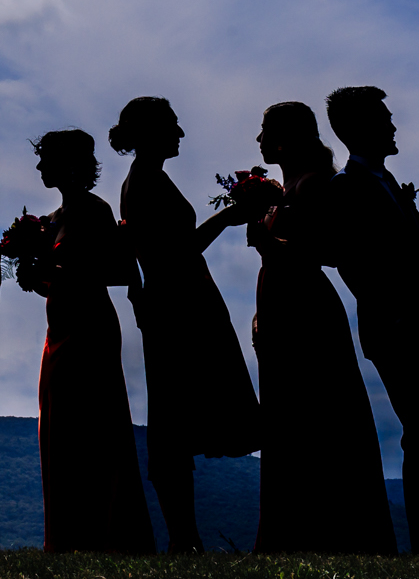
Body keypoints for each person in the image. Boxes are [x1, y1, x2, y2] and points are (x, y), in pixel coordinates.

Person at [110, 96, 259, 553]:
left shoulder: (150, 178)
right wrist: (228, 217)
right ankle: (183, 537)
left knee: (177, 414)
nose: (180, 133)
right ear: (150, 131)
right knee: (173, 418)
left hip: (183, 301)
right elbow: (173, 253)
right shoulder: (144, 183)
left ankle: (184, 536)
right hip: (177, 305)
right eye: (173, 125)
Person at [247, 101, 396, 556]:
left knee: (316, 417)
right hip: (281, 310)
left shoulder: (318, 185)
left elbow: (326, 250)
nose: (258, 141)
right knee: (288, 421)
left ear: (286, 139)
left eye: (265, 131)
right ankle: (294, 531)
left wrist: (268, 239)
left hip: (305, 312)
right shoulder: (288, 187)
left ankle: (327, 532)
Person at [325, 85, 419, 557]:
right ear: (361, 127)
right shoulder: (348, 187)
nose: (394, 125)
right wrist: (401, 317)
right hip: (401, 330)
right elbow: (353, 262)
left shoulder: (384, 180)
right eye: (385, 117)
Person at [24, 129, 154, 555]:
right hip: (58, 328)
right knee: (60, 429)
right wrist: (36, 278)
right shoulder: (56, 217)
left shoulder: (94, 211)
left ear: (70, 165)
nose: (41, 167)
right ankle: (69, 535)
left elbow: (117, 269)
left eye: (47, 160)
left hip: (90, 329)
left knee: (92, 429)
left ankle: (106, 534)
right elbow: (59, 281)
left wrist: (55, 273)